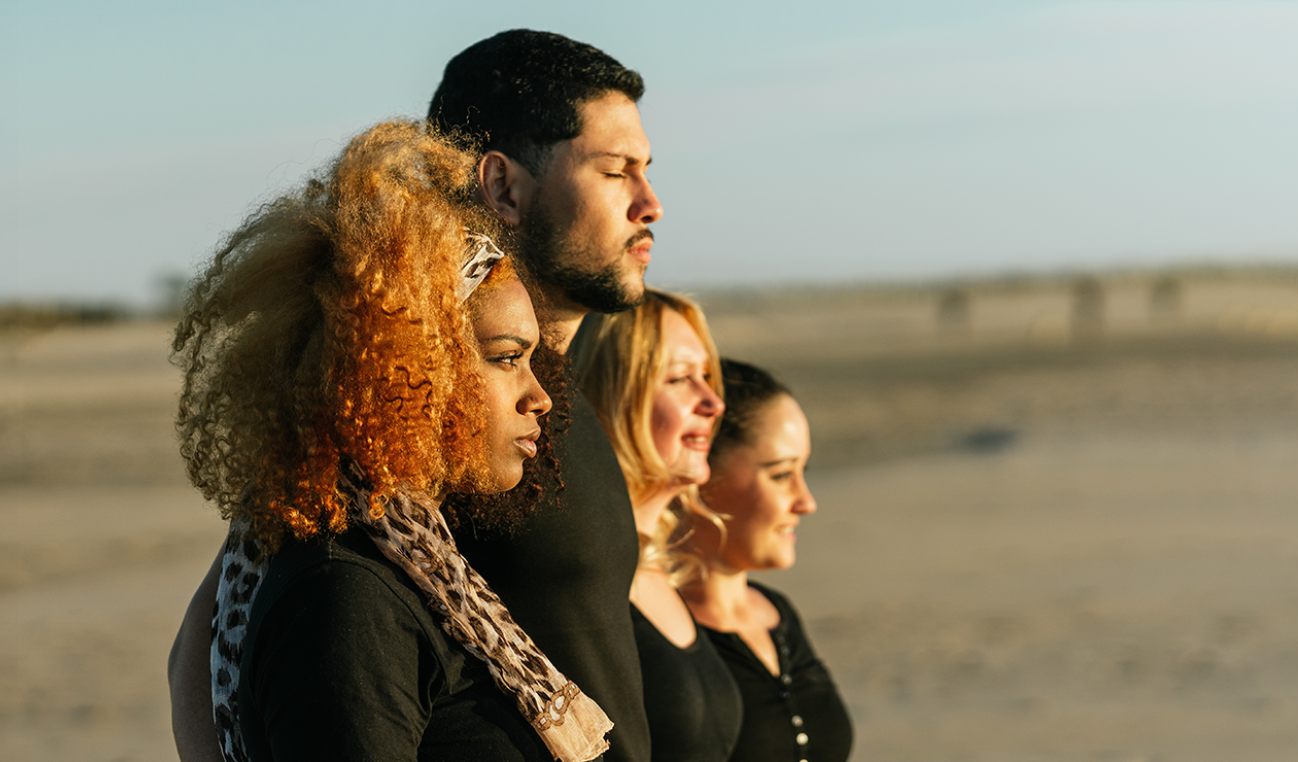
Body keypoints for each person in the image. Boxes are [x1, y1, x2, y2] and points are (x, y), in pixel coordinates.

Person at [169, 29, 663, 762]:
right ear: (502, 187)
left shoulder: (549, 395)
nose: (650, 202)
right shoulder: (408, 427)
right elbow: (213, 644)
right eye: (617, 171)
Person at [573, 290, 743, 762]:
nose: (713, 402)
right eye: (680, 379)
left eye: (707, 377)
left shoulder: (660, 569)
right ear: (612, 393)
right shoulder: (581, 580)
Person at [681, 359, 854, 762]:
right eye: (780, 474)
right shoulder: (652, 632)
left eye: (803, 471)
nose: (806, 502)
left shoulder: (777, 613)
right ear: (701, 472)